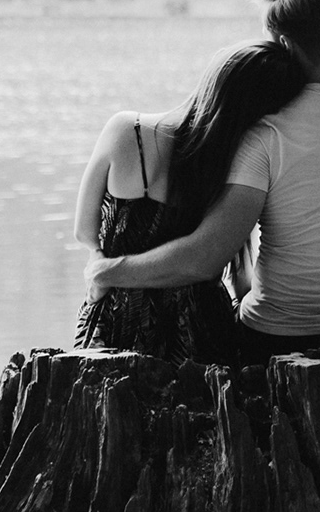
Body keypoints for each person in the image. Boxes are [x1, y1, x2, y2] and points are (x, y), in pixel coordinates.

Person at [84, 0, 320, 361]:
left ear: (282, 44)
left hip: (275, 337)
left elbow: (206, 259)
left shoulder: (262, 132)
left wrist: (108, 271)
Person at [72, 39, 306, 362]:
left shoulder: (125, 130)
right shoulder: (236, 170)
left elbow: (84, 231)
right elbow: (240, 279)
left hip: (114, 327)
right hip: (199, 339)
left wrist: (100, 267)